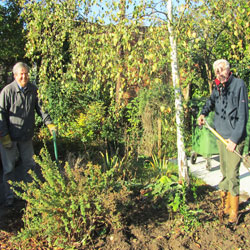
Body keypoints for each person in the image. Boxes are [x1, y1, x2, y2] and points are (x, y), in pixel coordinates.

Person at [198, 59, 249, 225]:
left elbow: (243, 115)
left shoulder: (239, 85)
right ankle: (225, 205)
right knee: (224, 171)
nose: (220, 72)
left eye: (222, 69)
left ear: (228, 70)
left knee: (233, 174)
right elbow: (210, 102)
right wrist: (203, 113)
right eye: (217, 71)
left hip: (234, 138)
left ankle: (234, 212)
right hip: (220, 136)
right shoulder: (218, 87)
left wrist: (234, 140)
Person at [0, 62, 57, 207]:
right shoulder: (7, 92)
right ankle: (9, 197)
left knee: (30, 165)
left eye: (26, 73)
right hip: (9, 138)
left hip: (25, 137)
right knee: (9, 169)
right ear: (15, 76)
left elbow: (41, 109)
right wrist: (4, 135)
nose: (24, 76)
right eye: (21, 74)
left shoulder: (33, 90)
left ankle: (29, 194)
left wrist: (49, 123)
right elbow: (0, 115)